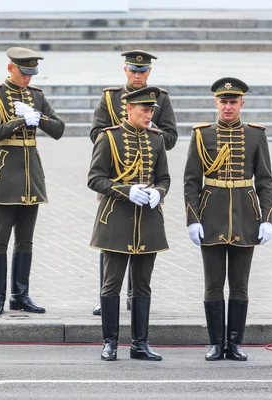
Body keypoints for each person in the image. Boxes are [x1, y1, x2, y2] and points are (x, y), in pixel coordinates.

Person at [183, 77, 272, 361]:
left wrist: (267, 218)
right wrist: (192, 218)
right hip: (211, 216)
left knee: (239, 284)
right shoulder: (202, 135)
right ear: (216, 103)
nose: (228, 106)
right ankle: (215, 343)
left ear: (241, 104)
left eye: (233, 101)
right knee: (212, 283)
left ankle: (234, 344)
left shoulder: (256, 135)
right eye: (223, 101)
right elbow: (191, 181)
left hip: (245, 217)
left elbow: (265, 181)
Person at [90, 49, 178, 316]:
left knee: (142, 243)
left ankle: (134, 294)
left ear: (149, 72)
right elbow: (96, 133)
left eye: (143, 71)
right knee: (112, 242)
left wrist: (148, 133)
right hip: (116, 180)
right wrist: (121, 133)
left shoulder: (159, 98)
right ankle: (108, 293)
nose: (138, 75)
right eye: (133, 70)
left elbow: (171, 136)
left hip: (146, 180)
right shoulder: (110, 97)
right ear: (125, 70)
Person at [0, 47, 65, 316]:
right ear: (10, 69)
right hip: (4, 175)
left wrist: (38, 118)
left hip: (31, 176)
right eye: (23, 72)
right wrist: (18, 121)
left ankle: (20, 294)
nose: (27, 78)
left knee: (25, 241)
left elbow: (59, 129)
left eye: (31, 73)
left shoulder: (37, 96)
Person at [88, 87, 170, 361]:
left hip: (147, 220)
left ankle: (139, 344)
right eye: (144, 111)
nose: (149, 115)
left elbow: (164, 178)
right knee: (112, 284)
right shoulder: (108, 137)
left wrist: (159, 192)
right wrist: (125, 190)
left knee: (143, 285)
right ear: (129, 109)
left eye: (151, 111)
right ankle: (109, 342)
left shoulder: (157, 139)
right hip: (116, 218)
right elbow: (95, 178)